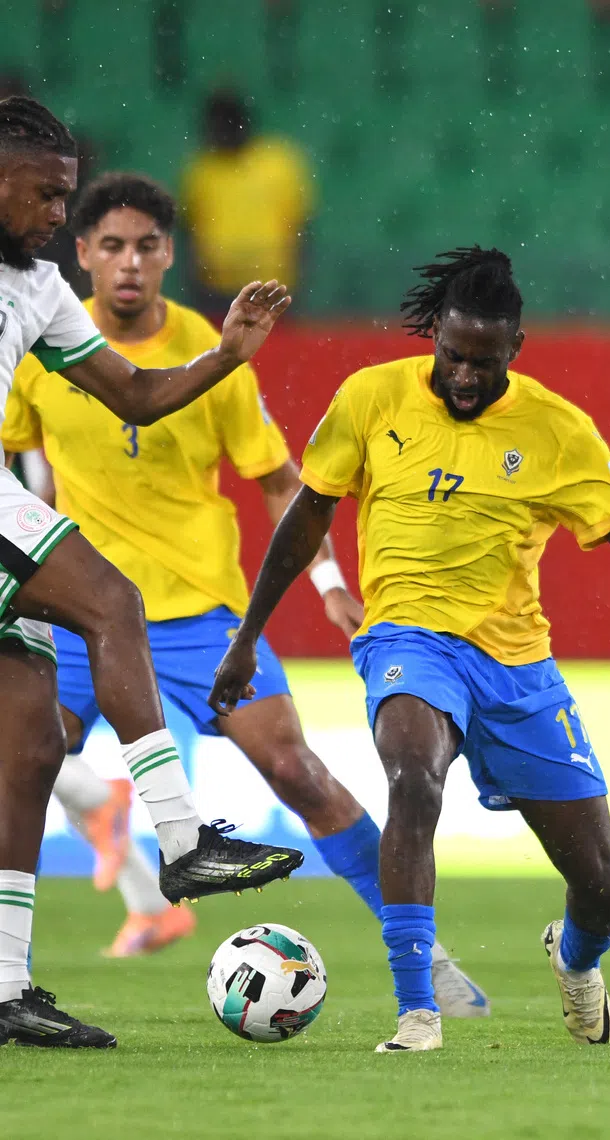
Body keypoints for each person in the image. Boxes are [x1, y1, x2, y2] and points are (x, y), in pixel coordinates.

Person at [209, 246, 610, 1053]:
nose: (466, 377)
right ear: (435, 337)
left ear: (516, 350)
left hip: (514, 667)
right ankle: (418, 1012)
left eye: (485, 363)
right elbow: (306, 520)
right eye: (454, 356)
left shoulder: (556, 431)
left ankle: (575, 965)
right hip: (409, 638)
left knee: (600, 887)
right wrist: (248, 636)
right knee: (411, 775)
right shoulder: (370, 398)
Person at [1, 171, 490, 1015]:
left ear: (168, 256)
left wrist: (331, 580)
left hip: (200, 616)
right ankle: (14, 978)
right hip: (81, 616)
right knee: (19, 769)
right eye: (110, 246)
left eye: (146, 247)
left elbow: (277, 477)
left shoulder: (207, 347)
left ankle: (427, 958)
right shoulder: (39, 338)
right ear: (80, 253)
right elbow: (23, 465)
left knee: (298, 770)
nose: (127, 264)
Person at [0, 96, 303, 1050]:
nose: (58, 214)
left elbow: (131, 394)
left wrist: (223, 356)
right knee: (112, 599)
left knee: (30, 753)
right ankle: (181, 842)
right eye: (46, 196)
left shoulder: (41, 290)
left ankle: (4, 988)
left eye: (66, 195)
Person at [181, 89, 314, 312]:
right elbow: (189, 231)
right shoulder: (200, 169)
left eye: (225, 124)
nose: (220, 132)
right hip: (216, 288)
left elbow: (302, 225)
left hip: (272, 287)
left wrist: (300, 278)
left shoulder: (279, 162)